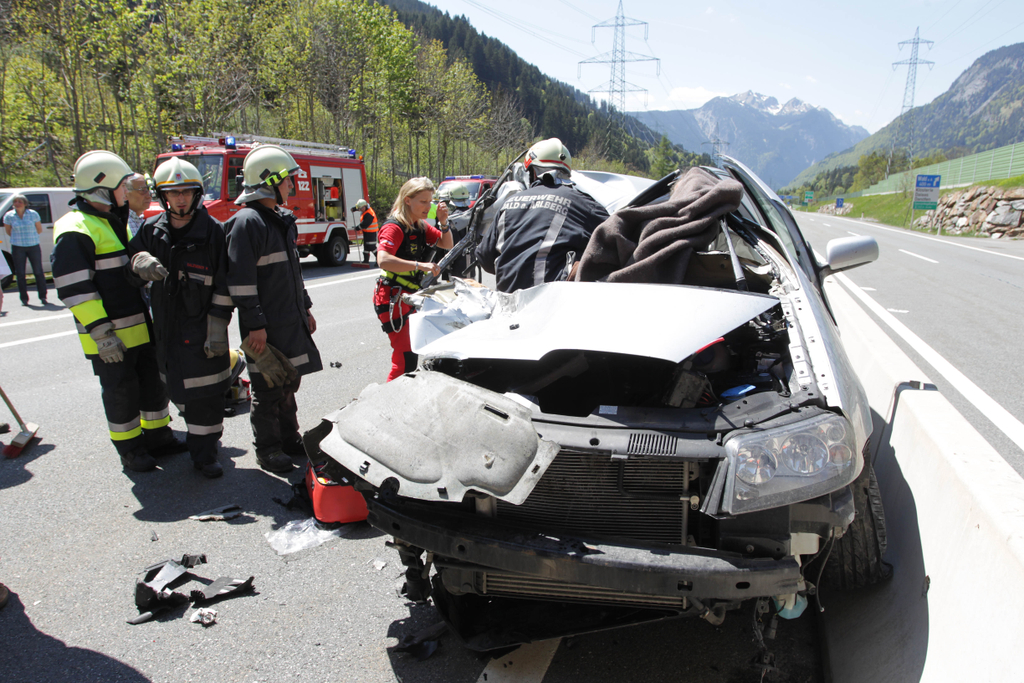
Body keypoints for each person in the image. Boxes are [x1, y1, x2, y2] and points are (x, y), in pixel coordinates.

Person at [52, 150, 184, 472]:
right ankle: (130, 449)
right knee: (121, 392)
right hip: (110, 336)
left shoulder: (112, 221)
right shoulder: (75, 228)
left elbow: (124, 272)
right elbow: (74, 289)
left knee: (152, 384)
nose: (127, 192)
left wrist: (141, 266)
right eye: (122, 186)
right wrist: (101, 334)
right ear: (102, 188)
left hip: (138, 327)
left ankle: (158, 437)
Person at [127, 157, 232, 478]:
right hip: (166, 330)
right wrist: (138, 263)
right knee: (176, 387)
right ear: (163, 196)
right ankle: (196, 439)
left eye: (186, 192)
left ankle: (205, 454)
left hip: (202, 329)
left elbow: (226, 282)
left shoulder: (212, 232)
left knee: (206, 394)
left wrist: (217, 326)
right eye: (174, 193)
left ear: (197, 194)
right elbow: (128, 271)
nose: (181, 198)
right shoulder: (150, 230)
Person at [226, 144, 322, 474]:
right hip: (264, 325)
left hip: (288, 318)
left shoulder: (279, 220)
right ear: (270, 181)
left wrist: (305, 308)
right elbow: (240, 282)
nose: (292, 185)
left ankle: (288, 437)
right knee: (267, 387)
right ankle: (267, 450)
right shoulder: (247, 223)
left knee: (288, 381)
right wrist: (255, 325)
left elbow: (293, 273)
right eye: (288, 179)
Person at [476, 138, 609, 293]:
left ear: (532, 172)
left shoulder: (508, 203)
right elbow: (615, 237)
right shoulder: (585, 204)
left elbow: (485, 259)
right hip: (553, 303)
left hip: (508, 302)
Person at [373, 177, 454, 381]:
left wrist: (444, 223)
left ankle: (401, 394)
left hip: (408, 297)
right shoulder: (395, 227)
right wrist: (419, 265)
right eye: (423, 201)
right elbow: (383, 260)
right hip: (393, 297)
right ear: (407, 200)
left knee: (410, 356)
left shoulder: (419, 225)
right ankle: (389, 397)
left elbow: (447, 244)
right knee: (404, 360)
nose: (428, 206)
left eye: (430, 201)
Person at [3, 194, 48, 305]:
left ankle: (43, 297)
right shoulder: (9, 215)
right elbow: (8, 231)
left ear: (25, 203)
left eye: (20, 201)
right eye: (15, 201)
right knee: (20, 274)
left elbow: (39, 229)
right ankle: (24, 299)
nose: (17, 204)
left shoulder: (33, 214)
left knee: (38, 272)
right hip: (18, 247)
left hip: (33, 246)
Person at [351, 198, 378, 264]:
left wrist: (357, 228)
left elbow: (364, 224)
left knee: (372, 247)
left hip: (372, 233)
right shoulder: (365, 209)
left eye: (361, 208)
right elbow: (360, 208)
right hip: (367, 232)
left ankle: (379, 260)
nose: (360, 210)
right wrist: (354, 209)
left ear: (365, 207)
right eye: (359, 208)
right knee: (366, 247)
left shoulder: (369, 214)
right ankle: (366, 261)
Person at [125, 173, 151, 238]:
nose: (149, 196)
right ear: (126, 193)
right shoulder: (122, 222)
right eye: (142, 190)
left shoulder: (142, 221)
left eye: (149, 190)